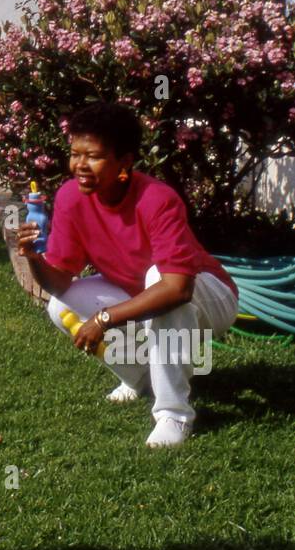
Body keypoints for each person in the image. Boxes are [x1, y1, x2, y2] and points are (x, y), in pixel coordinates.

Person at [16, 102, 239, 448]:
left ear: (124, 162)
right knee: (61, 308)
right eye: (75, 154)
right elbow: (60, 281)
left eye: (93, 156)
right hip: (145, 292)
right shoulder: (71, 197)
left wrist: (104, 319)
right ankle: (139, 377)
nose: (80, 165)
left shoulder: (157, 200)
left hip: (210, 295)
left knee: (159, 281)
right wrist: (33, 258)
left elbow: (177, 289)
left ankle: (174, 413)